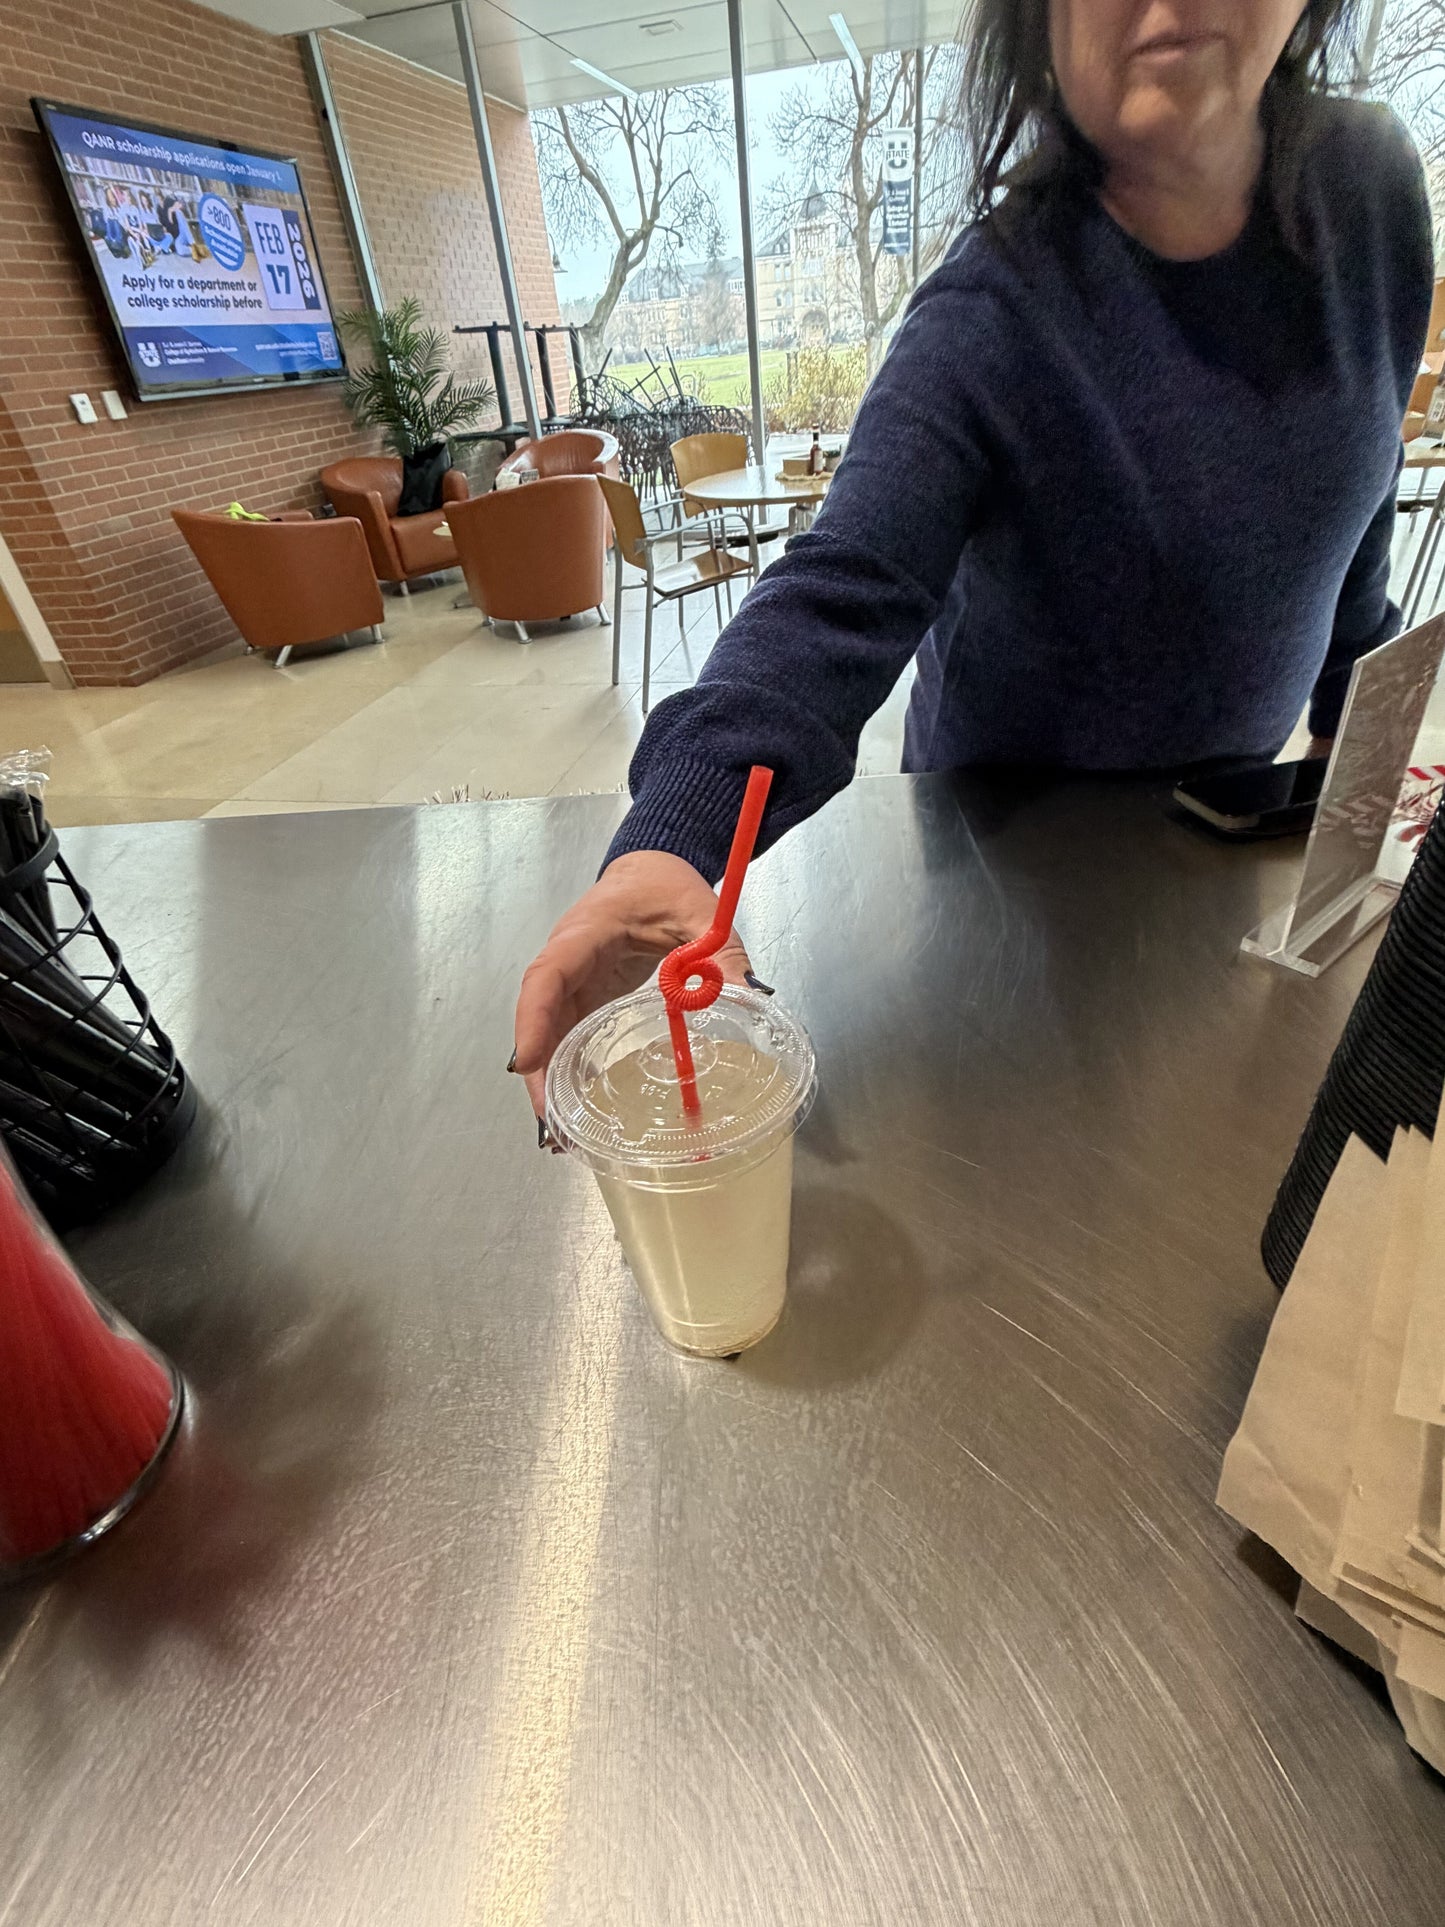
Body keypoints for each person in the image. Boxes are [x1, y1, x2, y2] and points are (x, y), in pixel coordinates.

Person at [513, 0, 1433, 1118]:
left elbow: (1361, 472)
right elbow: (840, 587)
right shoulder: (993, 309)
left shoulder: (1371, 187)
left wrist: (1352, 720)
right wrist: (670, 842)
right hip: (1001, 858)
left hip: (1222, 828)